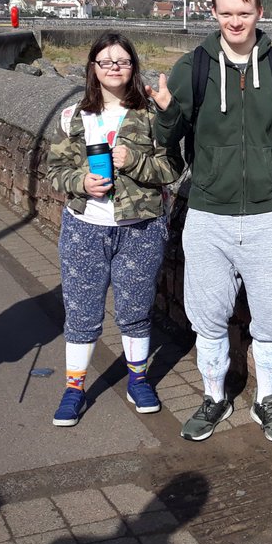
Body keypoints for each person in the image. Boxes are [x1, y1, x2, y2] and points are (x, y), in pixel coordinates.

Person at [149, 0, 272, 442]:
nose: (235, 20)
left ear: (259, 13)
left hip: (269, 214)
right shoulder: (193, 67)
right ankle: (213, 398)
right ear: (213, 13)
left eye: (244, 12)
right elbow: (165, 138)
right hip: (208, 212)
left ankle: (265, 401)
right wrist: (167, 110)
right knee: (207, 317)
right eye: (227, 12)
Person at [45, 32, 184, 427]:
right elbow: (55, 172)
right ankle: (74, 388)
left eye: (122, 61)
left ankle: (138, 380)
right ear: (93, 67)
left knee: (135, 311)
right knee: (82, 312)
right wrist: (81, 183)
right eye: (105, 62)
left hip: (140, 227)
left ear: (133, 66)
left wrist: (136, 161)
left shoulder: (153, 116)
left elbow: (173, 168)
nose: (114, 68)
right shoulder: (72, 117)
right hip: (84, 228)